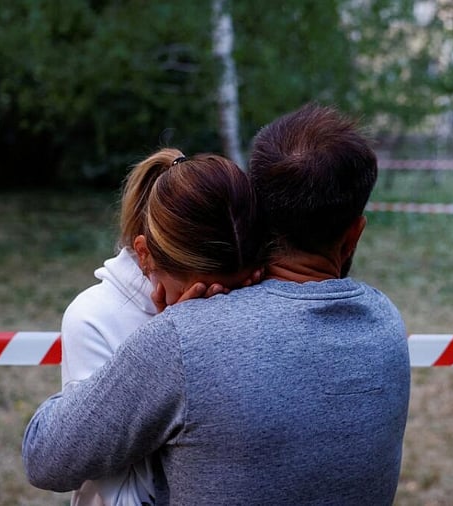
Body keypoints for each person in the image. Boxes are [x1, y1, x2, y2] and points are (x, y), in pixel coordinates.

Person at [22, 103, 411, 505]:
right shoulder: (387, 325)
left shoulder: (184, 340)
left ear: (256, 214)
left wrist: (164, 335)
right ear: (355, 234)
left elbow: (45, 457)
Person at [59, 148, 264, 505]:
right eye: (200, 292)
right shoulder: (93, 319)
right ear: (144, 255)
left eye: (232, 291)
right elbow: (121, 492)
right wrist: (170, 337)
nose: (217, 305)